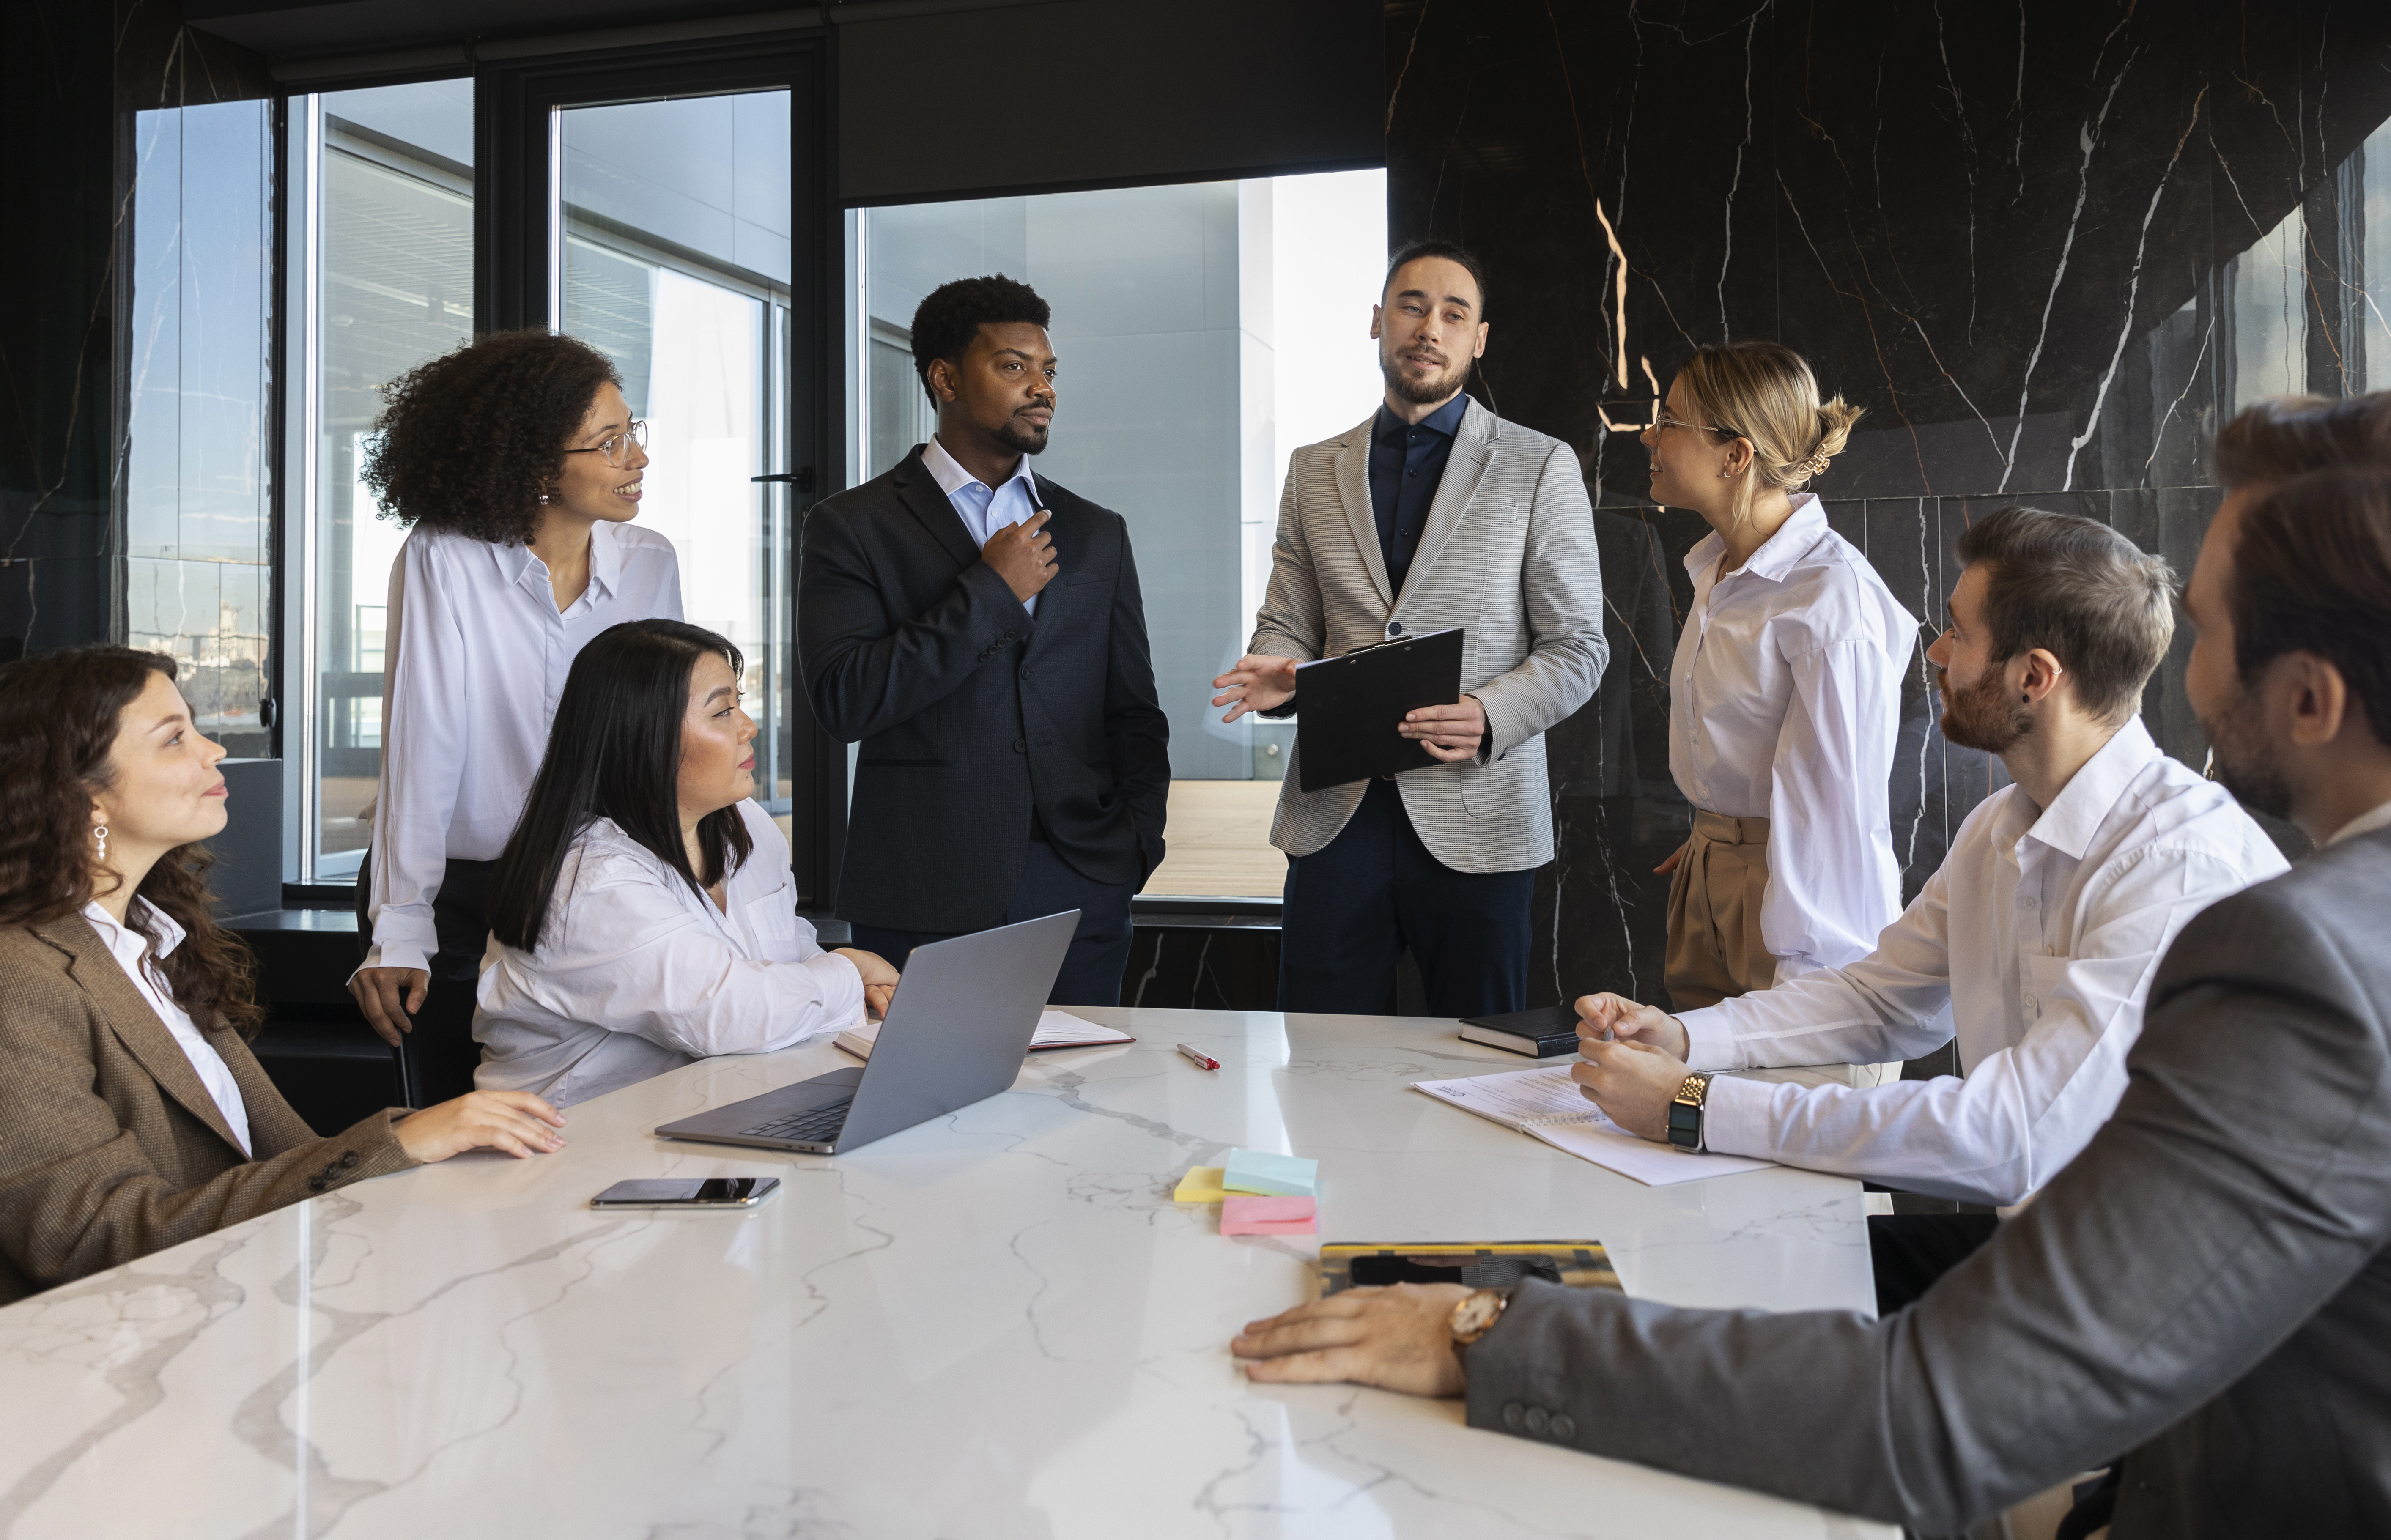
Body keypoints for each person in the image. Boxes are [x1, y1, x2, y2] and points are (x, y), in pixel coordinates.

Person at [1229, 375, 2391, 1535]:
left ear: (2311, 698)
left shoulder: (2303, 949)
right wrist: (1690, 1043)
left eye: (2205, 629)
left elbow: (1946, 1398)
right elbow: (1879, 996)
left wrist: (1494, 1329)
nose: (2174, 659)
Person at [1570, 507, 2288, 1311]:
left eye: (1958, 633)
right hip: (2054, 1254)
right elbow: (1879, 999)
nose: (1937, 653)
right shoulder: (1998, 824)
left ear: (2034, 677)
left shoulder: (2175, 867)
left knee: (1747, 1313)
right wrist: (1684, 1037)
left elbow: (2011, 1135)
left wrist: (1693, 1105)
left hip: (2179, 1304)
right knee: (1719, 1279)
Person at [0, 648, 566, 1305]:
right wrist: (394, 1142)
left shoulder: (157, 942)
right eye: (175, 738)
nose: (214, 750)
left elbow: (279, 1162)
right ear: (84, 795)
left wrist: (418, 1157)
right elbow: (92, 1237)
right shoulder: (20, 978)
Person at [1212, 241, 1606, 1017]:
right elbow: (1287, 622)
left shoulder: (1539, 464)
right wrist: (1280, 671)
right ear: (1377, 320)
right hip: (1337, 820)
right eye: (1412, 306)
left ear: (1478, 339)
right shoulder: (1314, 468)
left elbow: (1579, 647)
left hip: (1479, 814)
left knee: (1479, 1058)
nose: (1430, 328)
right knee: (1319, 1061)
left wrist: (1489, 714)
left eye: (1454, 314)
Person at [799, 275, 1170, 1003]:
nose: (1042, 387)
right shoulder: (851, 526)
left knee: (1090, 1078)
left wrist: (1134, 847)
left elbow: (1132, 711)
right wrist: (991, 592)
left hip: (1082, 885)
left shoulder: (1097, 532)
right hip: (922, 891)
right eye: (1013, 366)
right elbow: (845, 700)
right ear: (945, 379)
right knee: (927, 1084)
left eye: (1049, 370)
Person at [348, 329, 684, 1104]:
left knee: (597, 1119)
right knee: (461, 1123)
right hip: (461, 892)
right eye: (609, 442)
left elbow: (660, 741)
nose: (637, 457)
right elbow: (422, 748)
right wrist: (401, 927)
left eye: (633, 431)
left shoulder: (651, 562)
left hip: (597, 892)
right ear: (535, 466)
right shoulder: (444, 557)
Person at [475, 621, 898, 1107]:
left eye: (739, 703)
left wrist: (840, 980)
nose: (748, 727)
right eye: (722, 712)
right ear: (646, 738)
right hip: (573, 1142)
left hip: (719, 1114)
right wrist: (846, 971)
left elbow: (786, 951)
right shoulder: (589, 881)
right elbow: (733, 1014)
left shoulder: (748, 824)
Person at [1640, 341, 1916, 1008]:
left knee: (1787, 1074)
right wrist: (1718, 841)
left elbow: (1840, 811)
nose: (1649, 434)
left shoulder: (1830, 597)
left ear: (1735, 456)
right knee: (1692, 1075)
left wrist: (1811, 985)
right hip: (1711, 870)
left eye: (1670, 420)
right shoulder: (1719, 569)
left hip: (1796, 905)